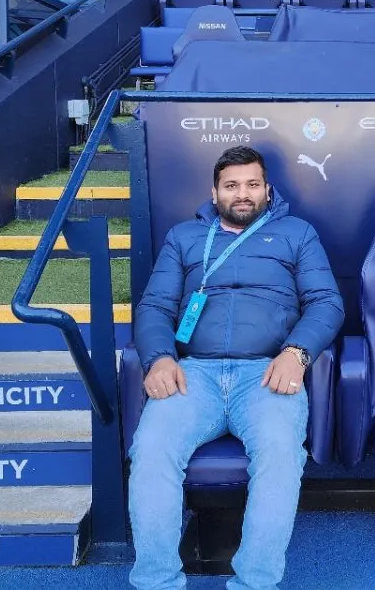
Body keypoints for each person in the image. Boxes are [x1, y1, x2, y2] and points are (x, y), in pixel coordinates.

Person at [128, 145, 345, 590]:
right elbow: (155, 306)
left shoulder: (297, 233)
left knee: (281, 453)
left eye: (252, 184)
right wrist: (159, 357)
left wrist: (297, 352)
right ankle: (157, 582)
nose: (242, 193)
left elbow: (326, 302)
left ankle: (254, 584)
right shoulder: (184, 237)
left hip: (266, 373)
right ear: (214, 192)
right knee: (150, 449)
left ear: (267, 189)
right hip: (194, 374)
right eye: (231, 185)